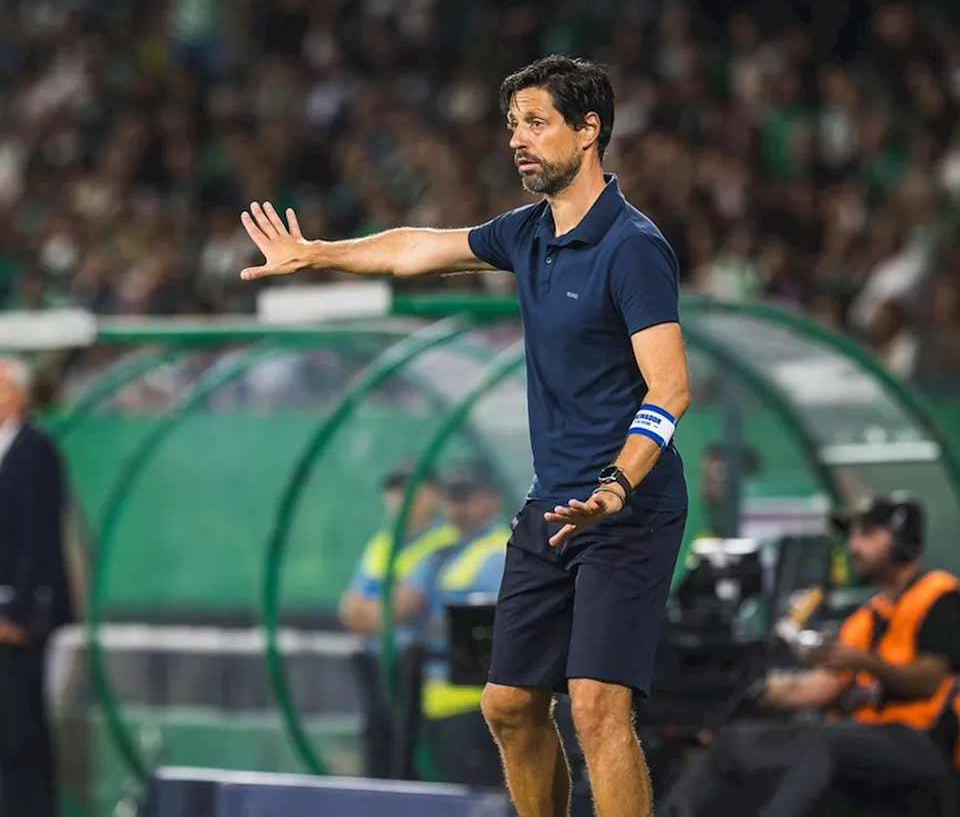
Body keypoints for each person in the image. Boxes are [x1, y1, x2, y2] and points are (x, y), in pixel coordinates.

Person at [239, 54, 691, 817]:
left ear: (589, 132)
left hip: (629, 509)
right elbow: (417, 245)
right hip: (554, 504)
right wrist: (320, 254)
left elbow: (670, 384)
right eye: (512, 124)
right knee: (508, 704)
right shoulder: (527, 233)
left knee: (595, 707)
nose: (518, 139)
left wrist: (617, 485)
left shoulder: (633, 247)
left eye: (537, 122)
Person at [661, 493, 960, 817]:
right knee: (734, 743)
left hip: (924, 742)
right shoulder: (869, 616)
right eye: (851, 535)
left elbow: (929, 680)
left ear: (903, 539)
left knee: (818, 740)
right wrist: (745, 689)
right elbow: (820, 687)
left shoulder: (941, 597)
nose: (853, 546)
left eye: (867, 534)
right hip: (863, 737)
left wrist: (862, 662)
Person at [339, 461, 454, 779]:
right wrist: (378, 612)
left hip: (411, 665)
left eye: (412, 492)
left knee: (406, 757)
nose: (401, 500)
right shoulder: (382, 543)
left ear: (434, 497)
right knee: (379, 756)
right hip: (373, 663)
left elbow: (403, 608)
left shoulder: (443, 541)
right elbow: (349, 611)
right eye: (394, 493)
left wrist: (375, 611)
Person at [0, 356, 74, 817]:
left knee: (20, 732)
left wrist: (21, 614)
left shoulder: (35, 449)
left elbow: (39, 537)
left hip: (17, 618)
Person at [413, 462, 510, 787]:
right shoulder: (443, 550)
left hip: (475, 704)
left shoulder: (499, 551)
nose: (456, 507)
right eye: (451, 498)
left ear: (492, 500)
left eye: (466, 497)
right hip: (439, 700)